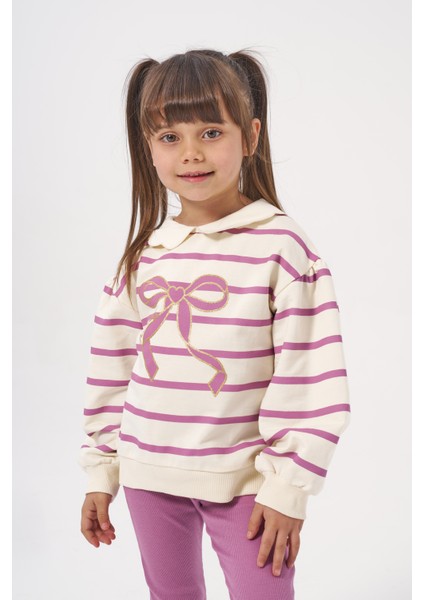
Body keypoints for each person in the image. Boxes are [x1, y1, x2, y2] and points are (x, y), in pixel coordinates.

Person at [78, 48, 351, 600]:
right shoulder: (144, 256)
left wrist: (289, 487)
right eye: (169, 137)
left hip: (249, 482)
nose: (191, 153)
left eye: (210, 132)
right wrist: (102, 470)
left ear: (250, 136)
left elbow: (309, 376)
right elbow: (112, 368)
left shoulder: (283, 248)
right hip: (148, 474)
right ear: (148, 147)